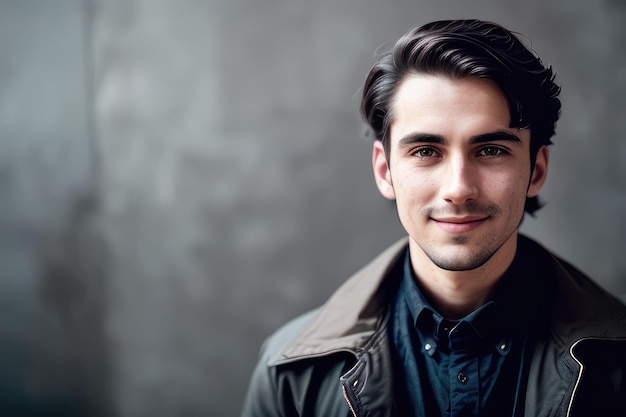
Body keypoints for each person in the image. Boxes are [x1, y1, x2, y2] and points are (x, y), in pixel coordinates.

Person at [241, 19, 626, 417]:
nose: (458, 188)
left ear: (537, 170)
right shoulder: (290, 375)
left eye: (491, 150)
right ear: (384, 171)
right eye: (426, 151)